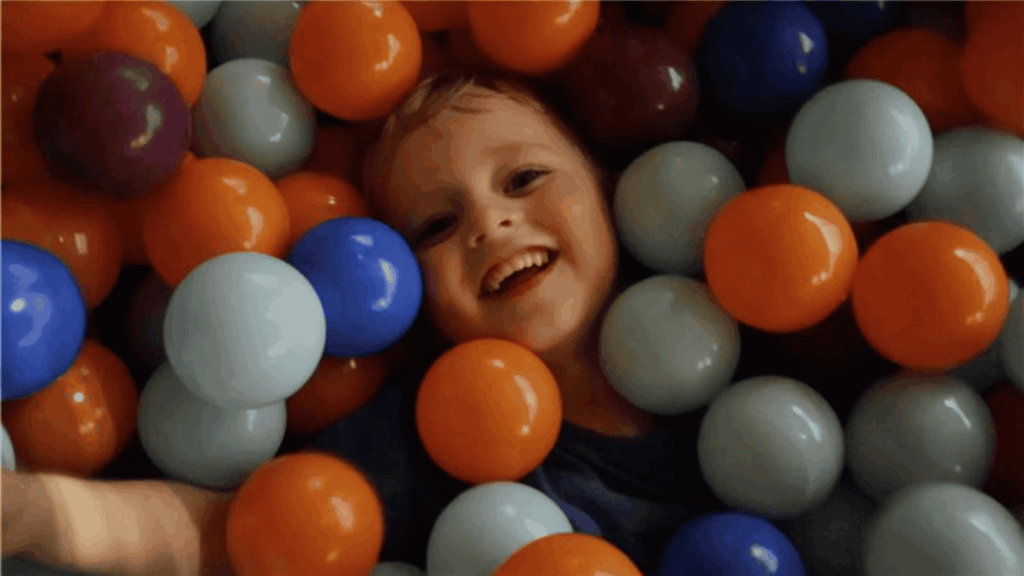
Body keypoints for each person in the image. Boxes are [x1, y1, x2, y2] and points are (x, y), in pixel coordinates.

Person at [1, 71, 724, 575]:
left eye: (525, 178)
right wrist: (37, 515)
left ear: (610, 186)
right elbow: (231, 530)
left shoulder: (729, 337)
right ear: (408, 293)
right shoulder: (429, 433)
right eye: (437, 224)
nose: (490, 221)